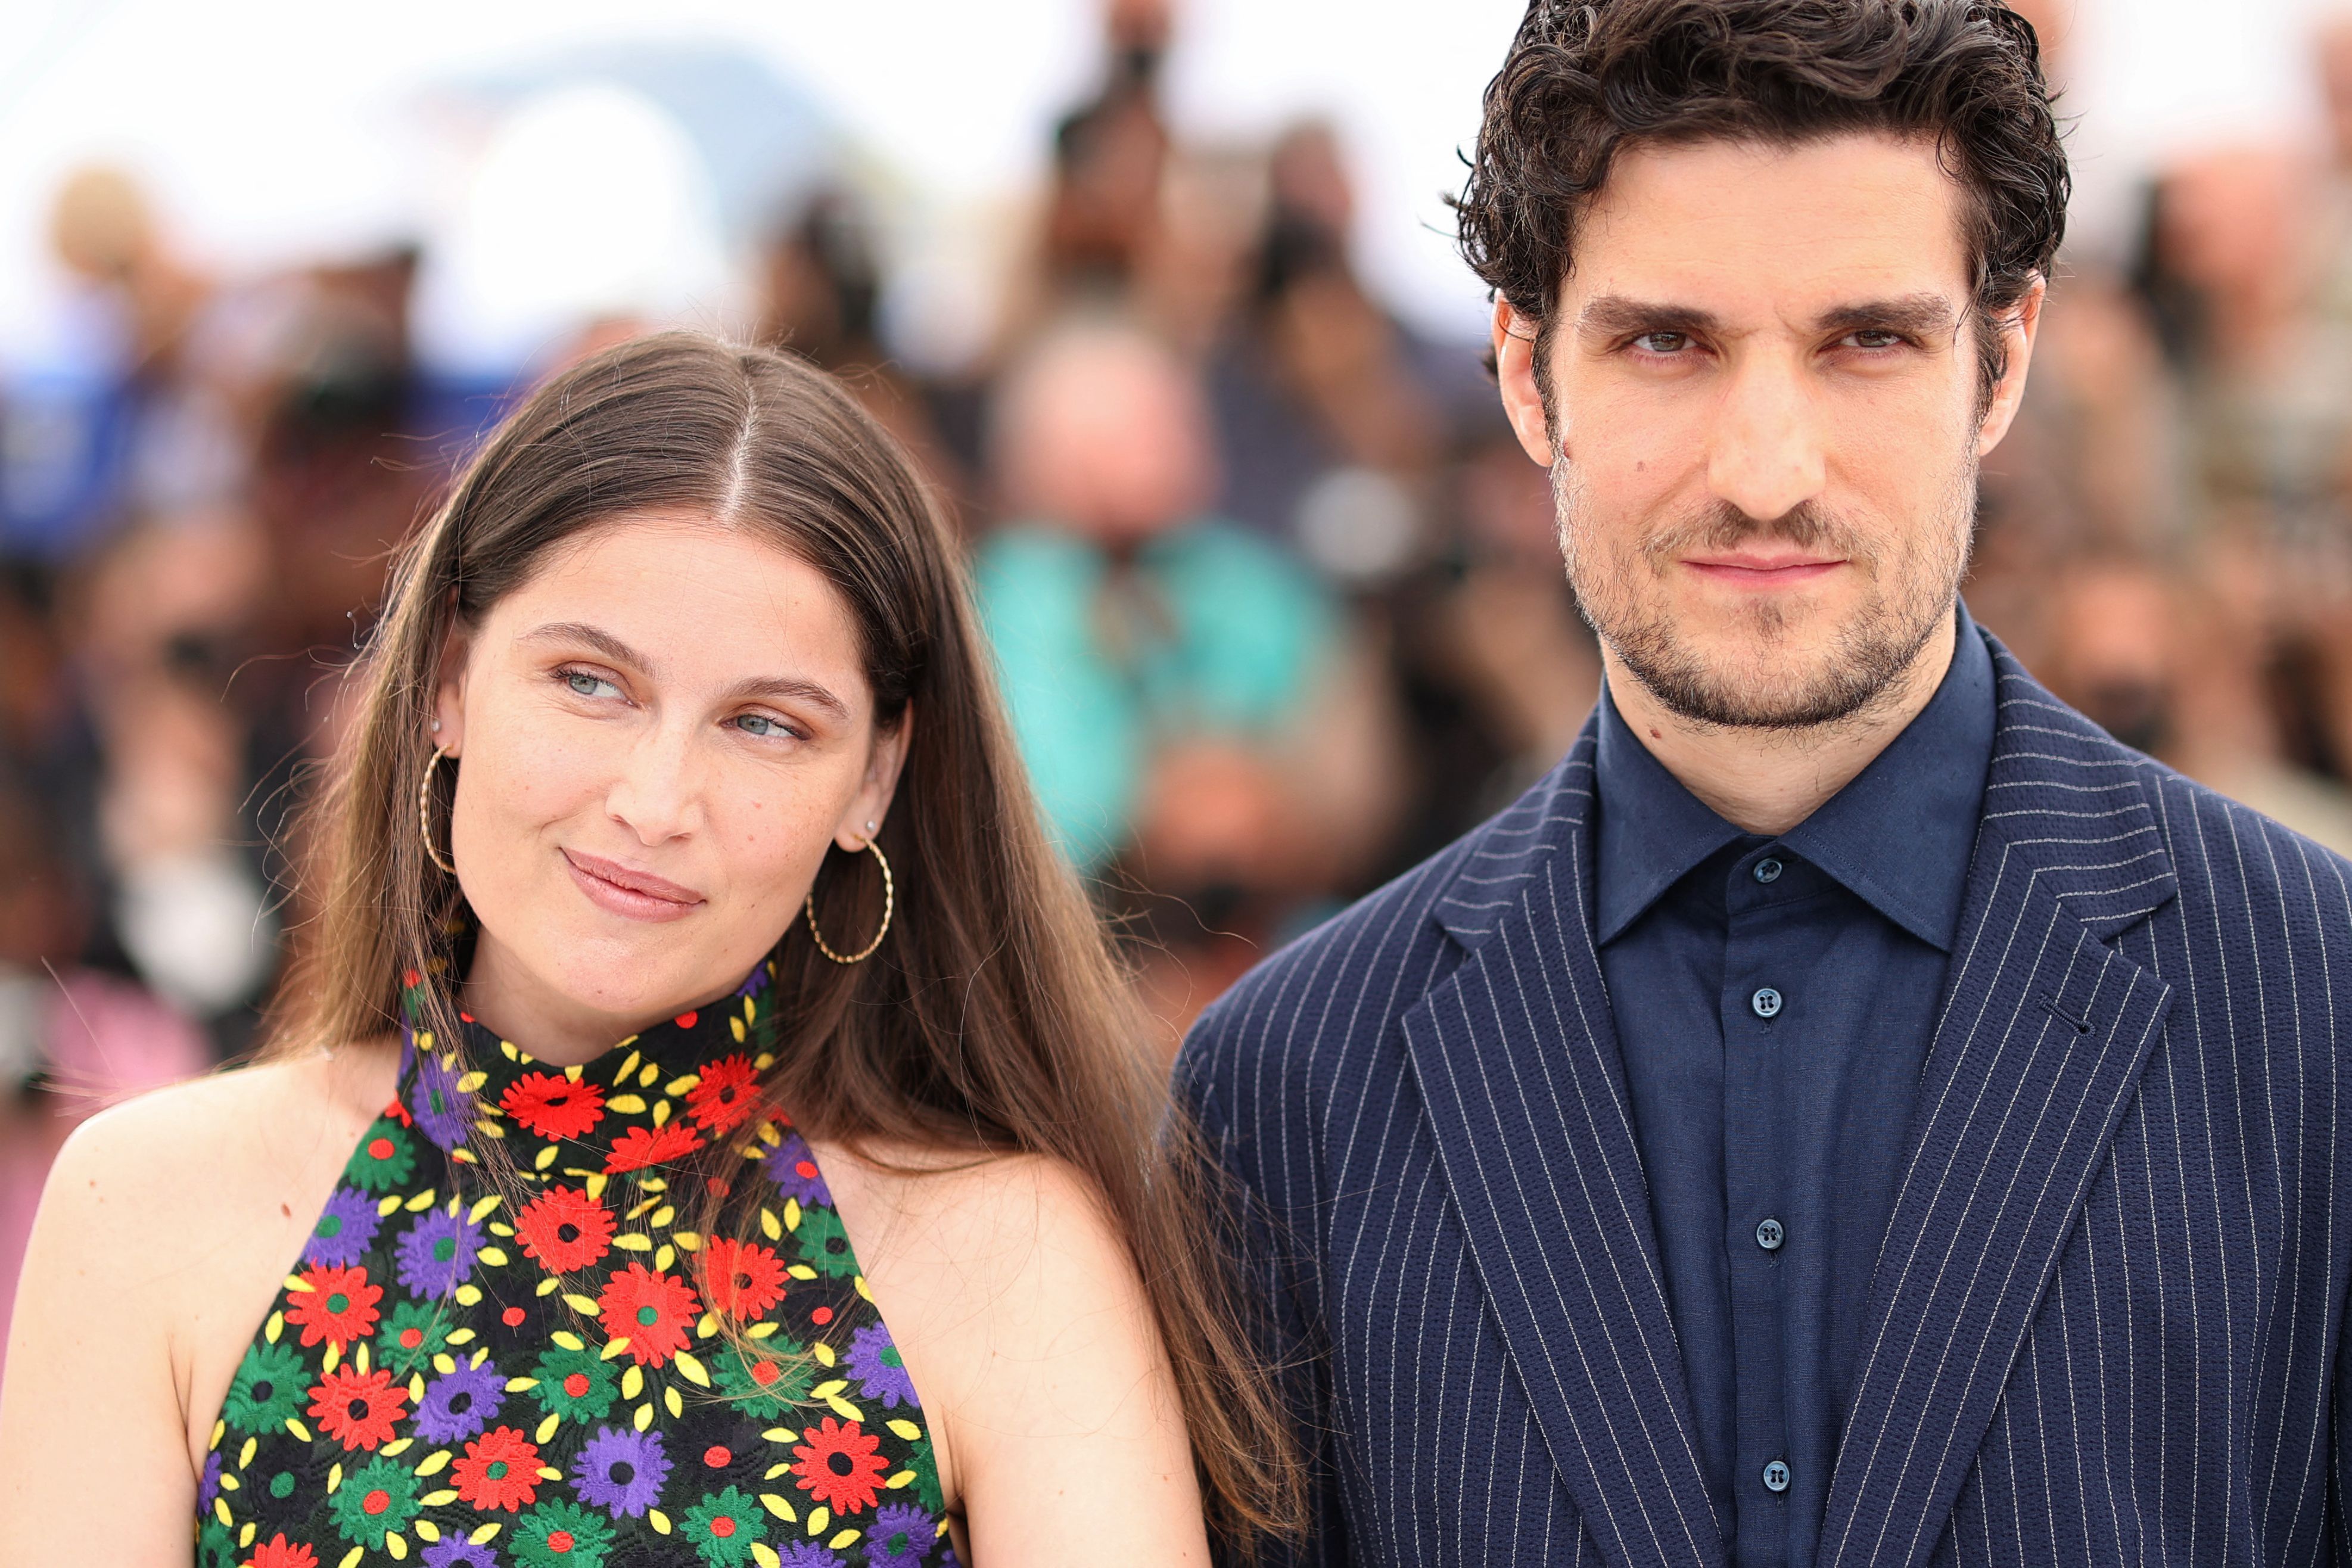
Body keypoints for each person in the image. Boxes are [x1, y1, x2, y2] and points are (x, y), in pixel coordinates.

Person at [1176, 4, 2352, 1566]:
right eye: (1668, 342)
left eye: (1866, 339)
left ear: (1999, 366)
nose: (1764, 467)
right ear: (1527, 378)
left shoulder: (2314, 1001)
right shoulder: (1285, 1092)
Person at [0, 333, 1298, 1566]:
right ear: (450, 674)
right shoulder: (148, 1207)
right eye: (590, 682)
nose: (656, 798)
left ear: (876, 777)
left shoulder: (1007, 1259)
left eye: (768, 725)